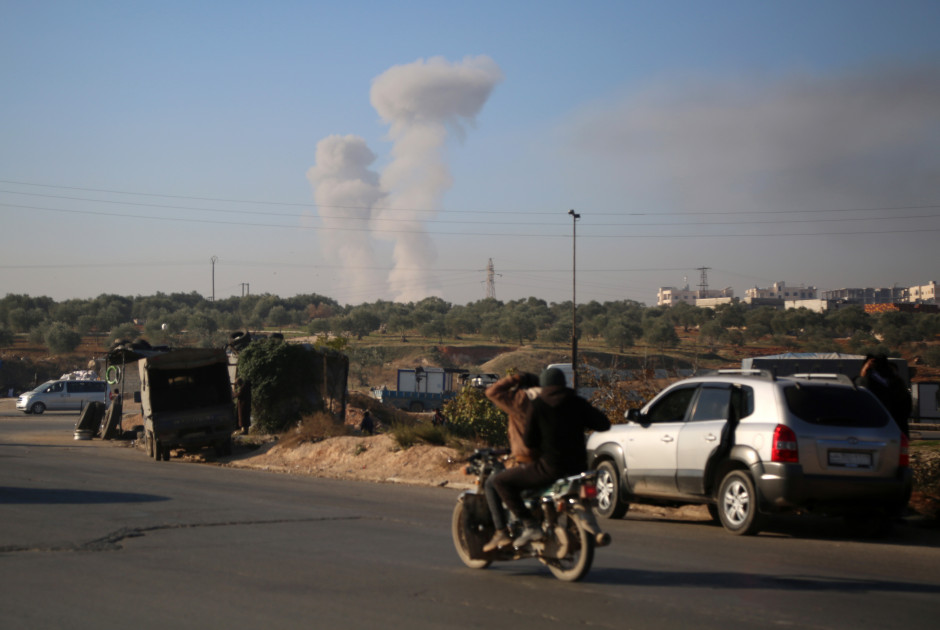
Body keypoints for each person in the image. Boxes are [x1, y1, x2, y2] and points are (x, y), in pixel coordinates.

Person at [487, 367, 611, 550]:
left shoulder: (538, 406)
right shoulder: (577, 403)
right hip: (579, 468)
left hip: (551, 468)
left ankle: (530, 525)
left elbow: (530, 441)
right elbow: (603, 424)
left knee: (500, 482)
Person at [480, 371, 540, 552]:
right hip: (552, 462)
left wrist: (515, 378)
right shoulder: (549, 403)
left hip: (528, 463)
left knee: (493, 484)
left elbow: (491, 392)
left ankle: (502, 531)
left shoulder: (519, 402)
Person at [855, 354, 912, 437]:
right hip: (895, 431)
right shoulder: (897, 384)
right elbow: (906, 407)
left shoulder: (864, 383)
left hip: (871, 431)